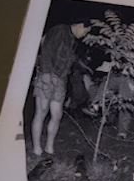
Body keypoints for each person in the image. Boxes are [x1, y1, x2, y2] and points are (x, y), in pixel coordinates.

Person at [31, 22, 90, 156]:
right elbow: (46, 49)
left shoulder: (71, 39)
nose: (84, 35)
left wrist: (85, 70)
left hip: (60, 79)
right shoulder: (60, 30)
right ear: (81, 25)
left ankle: (49, 147)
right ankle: (36, 147)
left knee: (57, 114)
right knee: (42, 111)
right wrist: (45, 73)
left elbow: (71, 60)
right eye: (86, 31)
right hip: (47, 75)